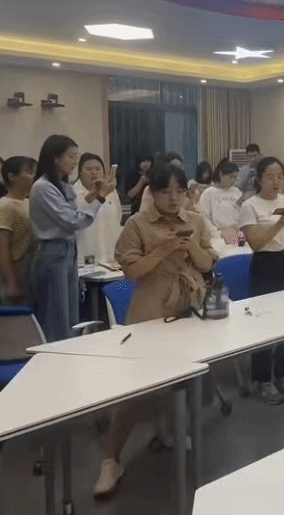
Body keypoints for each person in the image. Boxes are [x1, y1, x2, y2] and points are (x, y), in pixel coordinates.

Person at [96, 163, 217, 496]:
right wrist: (164, 250)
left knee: (182, 380)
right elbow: (131, 271)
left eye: (180, 191)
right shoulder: (138, 224)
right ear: (153, 193)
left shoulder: (195, 221)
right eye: (166, 191)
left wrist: (190, 247)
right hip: (150, 314)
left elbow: (207, 263)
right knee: (136, 393)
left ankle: (167, 432)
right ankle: (111, 459)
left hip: (188, 310)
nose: (174, 198)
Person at [31, 135, 115, 342]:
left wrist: (96, 194)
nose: (74, 162)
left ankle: (70, 355)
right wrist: (100, 197)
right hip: (53, 252)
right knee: (56, 318)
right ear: (55, 157)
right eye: (70, 157)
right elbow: (72, 221)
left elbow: (77, 211)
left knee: (71, 317)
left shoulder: (62, 186)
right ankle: (54, 358)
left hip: (68, 251)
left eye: (76, 157)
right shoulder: (43, 187)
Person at [240, 157, 284, 404]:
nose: (276, 181)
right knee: (265, 324)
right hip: (265, 264)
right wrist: (279, 224)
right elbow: (255, 242)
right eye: (270, 176)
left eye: (280, 176)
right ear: (259, 179)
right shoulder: (250, 206)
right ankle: (262, 380)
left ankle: (282, 374)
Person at [0, 156, 37, 306]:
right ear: (12, 176)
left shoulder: (29, 202)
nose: (34, 177)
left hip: (32, 268)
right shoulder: (3, 206)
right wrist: (11, 283)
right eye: (29, 173)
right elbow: (1, 248)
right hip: (18, 270)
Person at [73, 153, 123, 267]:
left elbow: (118, 218)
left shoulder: (112, 193)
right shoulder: (73, 193)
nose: (94, 172)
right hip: (83, 257)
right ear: (80, 172)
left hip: (110, 256)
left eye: (98, 169)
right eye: (88, 169)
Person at [197, 161, 243, 243]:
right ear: (221, 174)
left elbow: (243, 212)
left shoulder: (237, 192)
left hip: (237, 233)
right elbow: (204, 216)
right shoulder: (208, 193)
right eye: (230, 177)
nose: (233, 180)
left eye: (235, 178)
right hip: (218, 235)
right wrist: (216, 233)